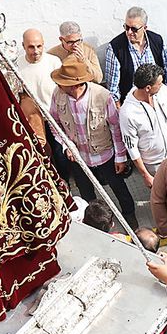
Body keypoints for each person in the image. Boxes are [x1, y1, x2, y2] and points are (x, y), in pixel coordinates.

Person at [48, 56, 138, 226]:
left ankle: (130, 216)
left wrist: (120, 157)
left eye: (62, 82)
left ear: (75, 84)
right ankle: (95, 223)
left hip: (105, 154)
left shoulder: (102, 96)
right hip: (78, 157)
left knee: (119, 188)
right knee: (86, 192)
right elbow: (54, 123)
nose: (58, 85)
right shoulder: (58, 94)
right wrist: (67, 145)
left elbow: (115, 127)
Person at [120, 64, 167, 189]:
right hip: (154, 165)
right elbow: (131, 146)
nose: (163, 85)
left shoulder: (163, 91)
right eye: (159, 83)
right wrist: (146, 175)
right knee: (165, 197)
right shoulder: (128, 113)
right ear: (148, 88)